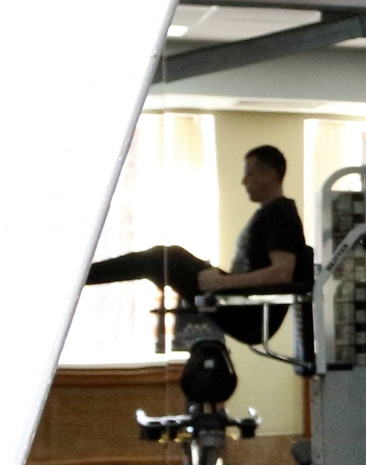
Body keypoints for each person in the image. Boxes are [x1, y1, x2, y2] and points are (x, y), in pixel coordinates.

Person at [86, 144, 308, 343]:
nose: (244, 181)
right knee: (167, 256)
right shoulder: (270, 213)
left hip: (250, 315)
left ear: (270, 174)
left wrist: (221, 283)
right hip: (241, 301)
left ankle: (82, 276)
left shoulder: (282, 214)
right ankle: (86, 275)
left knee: (163, 258)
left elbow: (282, 273)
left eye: (249, 173)